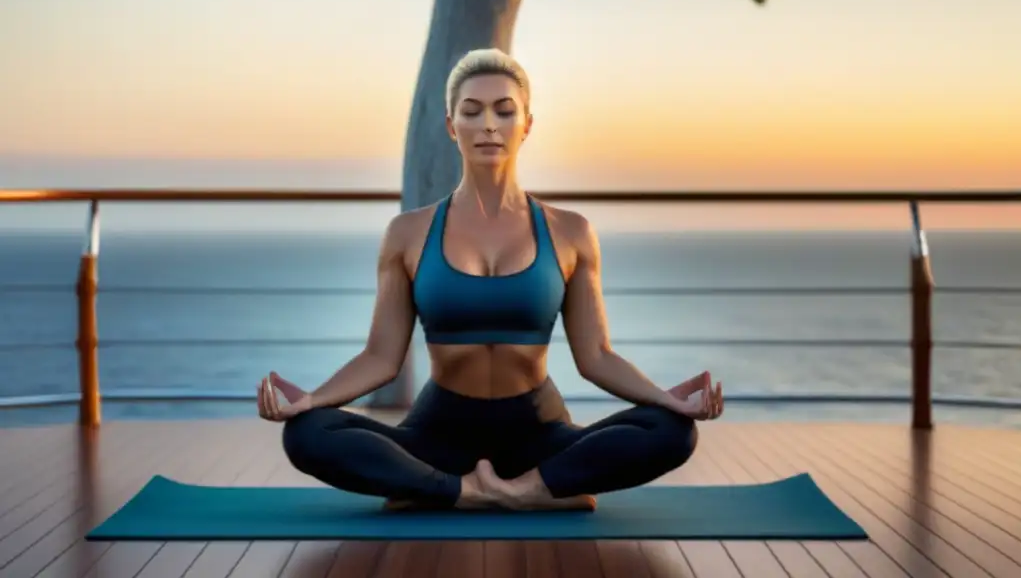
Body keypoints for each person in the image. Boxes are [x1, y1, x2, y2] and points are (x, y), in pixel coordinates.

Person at [256, 48, 725, 512]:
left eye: (504, 111)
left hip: (538, 434)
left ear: (527, 125)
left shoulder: (570, 231)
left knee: (672, 431)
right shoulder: (408, 233)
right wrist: (313, 399)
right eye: (472, 111)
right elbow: (381, 357)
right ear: (450, 125)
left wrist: (667, 400)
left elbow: (596, 356)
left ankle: (485, 488)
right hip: (438, 433)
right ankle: (477, 491)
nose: (488, 126)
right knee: (307, 434)